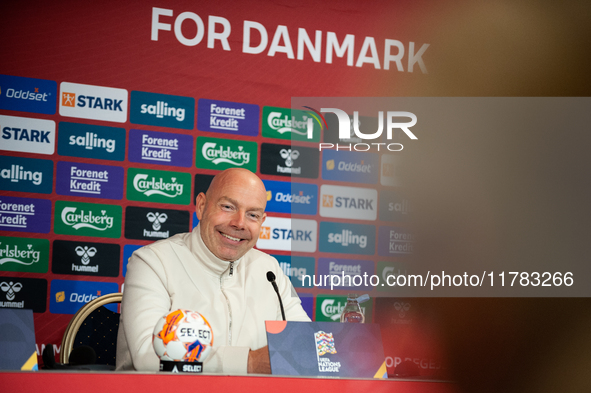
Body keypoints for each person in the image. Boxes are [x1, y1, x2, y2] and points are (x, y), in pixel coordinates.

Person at [116, 168, 311, 373]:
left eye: (252, 215)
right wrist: (250, 362)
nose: (239, 223)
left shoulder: (268, 269)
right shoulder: (152, 262)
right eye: (228, 207)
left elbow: (306, 343)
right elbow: (148, 356)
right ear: (201, 206)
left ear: (262, 222)